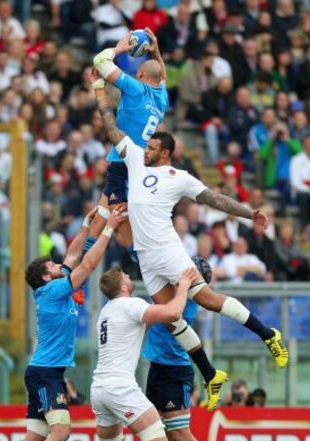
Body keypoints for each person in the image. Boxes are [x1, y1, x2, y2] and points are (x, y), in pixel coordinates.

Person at [91, 72, 289, 408]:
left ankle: (268, 334)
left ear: (165, 153)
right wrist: (99, 90)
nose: (146, 148)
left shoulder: (177, 177)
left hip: (167, 251)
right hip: (147, 258)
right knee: (171, 318)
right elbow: (111, 129)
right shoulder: (136, 160)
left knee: (208, 299)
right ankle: (212, 375)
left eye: (152, 146)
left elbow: (214, 199)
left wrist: (248, 213)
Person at [22, 206, 126, 441]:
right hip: (45, 374)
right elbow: (87, 265)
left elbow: (72, 256)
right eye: (53, 266)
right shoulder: (52, 290)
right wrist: (108, 228)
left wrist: (86, 225)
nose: (59, 265)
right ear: (47, 277)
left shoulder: (53, 287)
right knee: (61, 433)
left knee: (33, 439)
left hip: (45, 372)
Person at [91, 266, 199, 441]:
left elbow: (138, 328)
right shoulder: (131, 304)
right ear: (123, 288)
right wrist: (184, 286)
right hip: (120, 388)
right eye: (125, 275)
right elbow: (173, 313)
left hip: (99, 390)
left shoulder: (105, 312)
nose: (129, 275)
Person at [84, 28, 168, 254]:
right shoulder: (162, 98)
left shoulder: (135, 88)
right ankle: (75, 271)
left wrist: (120, 48)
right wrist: (156, 51)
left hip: (123, 162)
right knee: (99, 220)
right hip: (140, 162)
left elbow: (100, 60)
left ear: (140, 74)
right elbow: (162, 74)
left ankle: (139, 254)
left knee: (118, 220)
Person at [144, 256, 210, 441]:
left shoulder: (185, 302)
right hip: (158, 367)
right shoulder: (178, 294)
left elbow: (171, 311)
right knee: (163, 436)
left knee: (181, 437)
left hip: (173, 371)